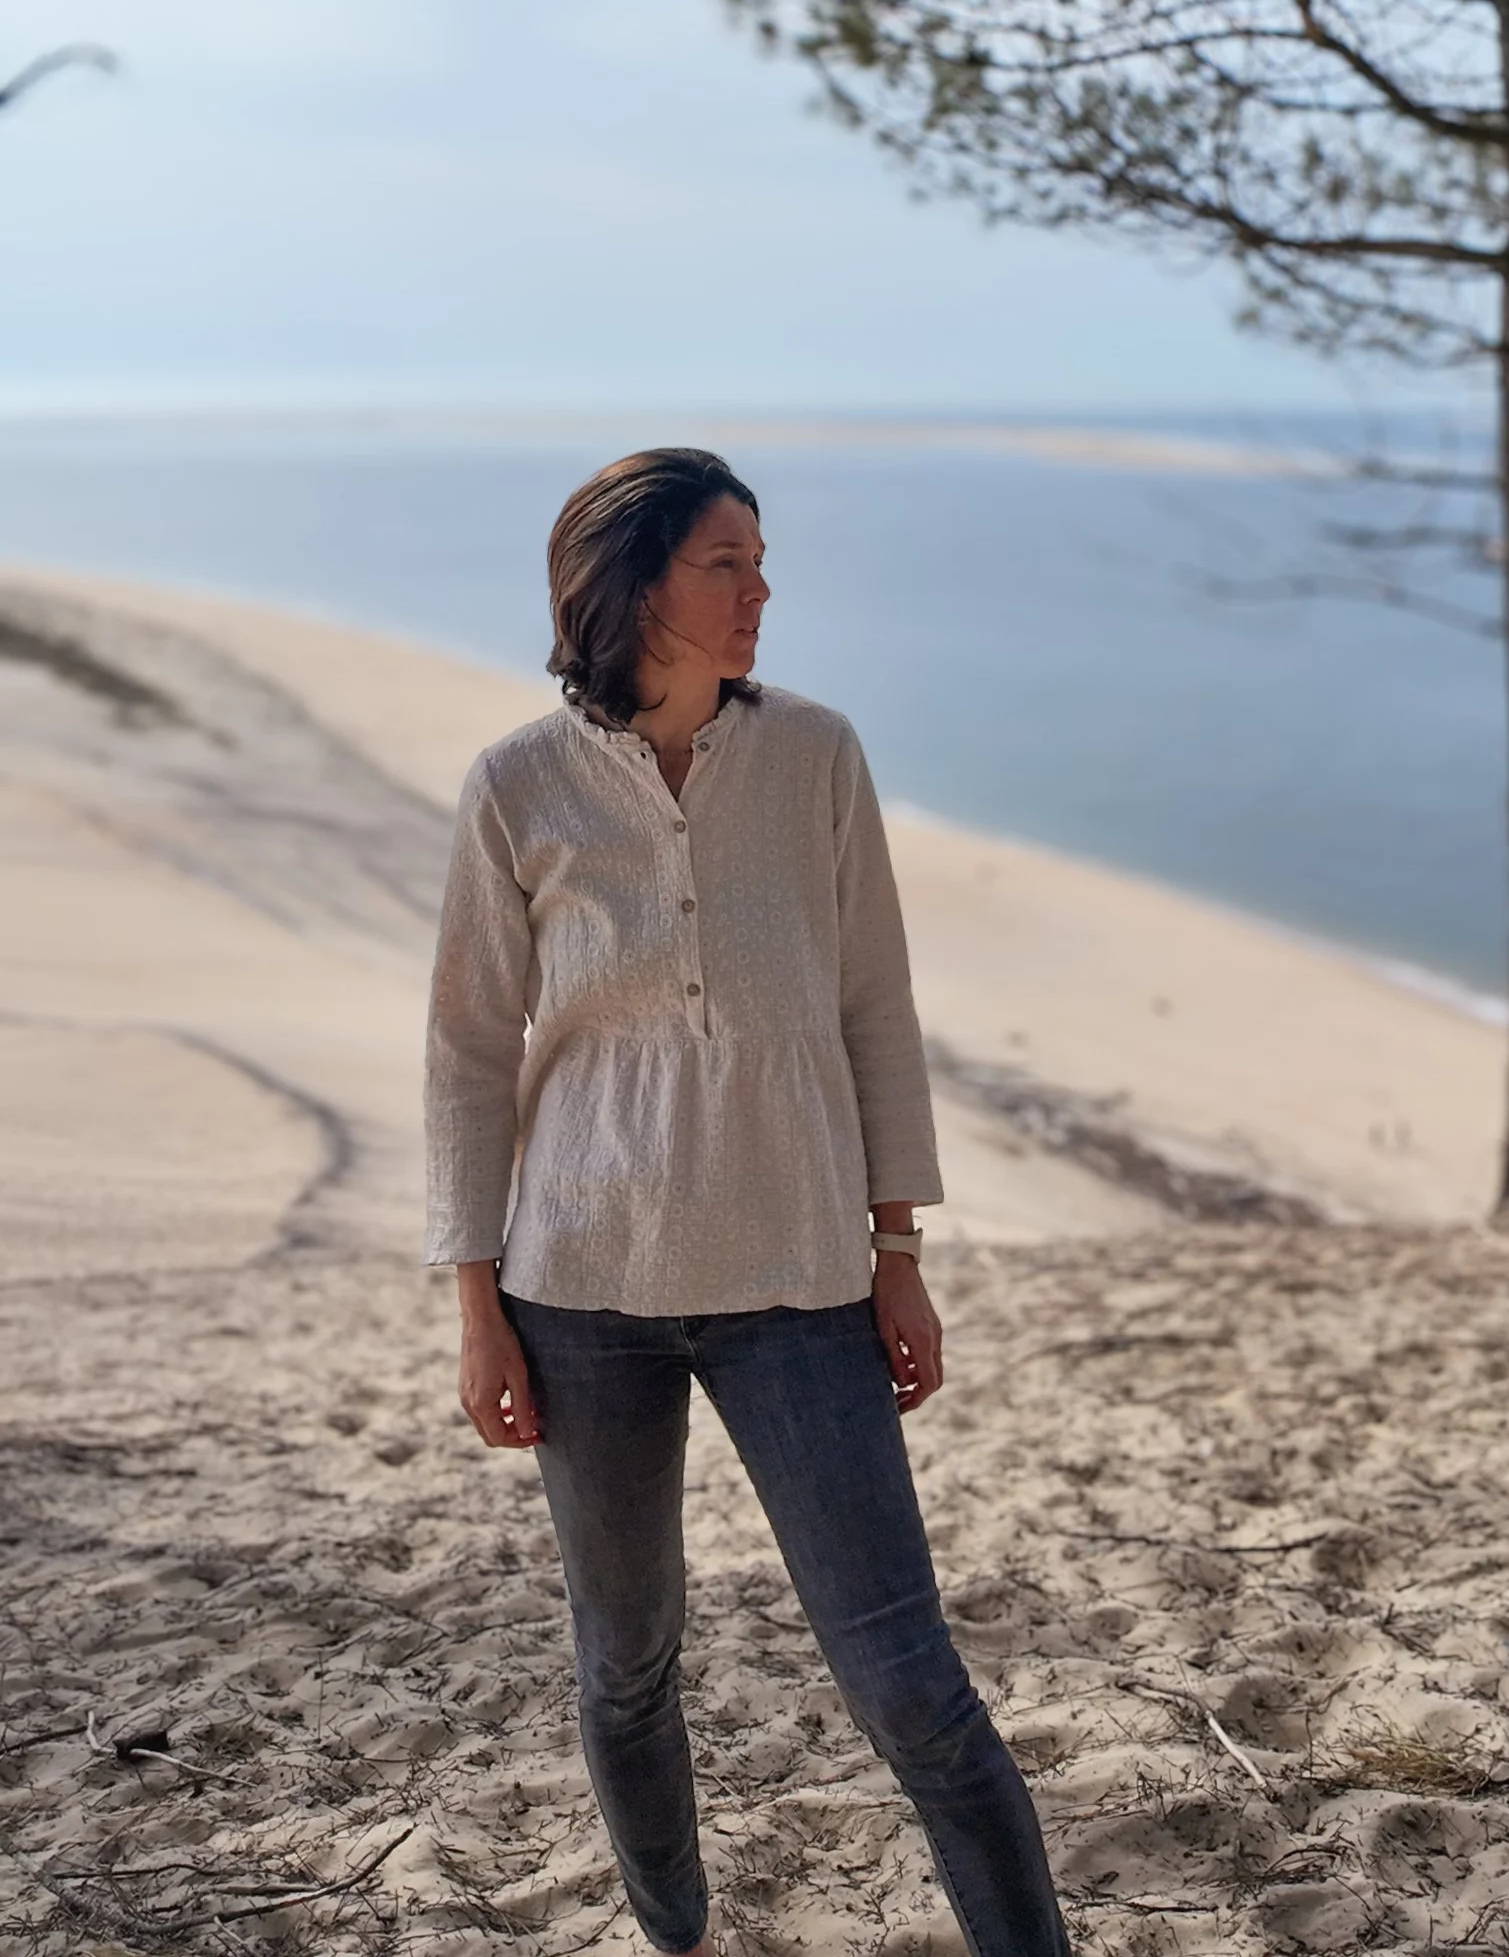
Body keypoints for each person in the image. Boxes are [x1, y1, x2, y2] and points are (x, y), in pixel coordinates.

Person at [424, 447, 1070, 1957]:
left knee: (910, 1678)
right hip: (577, 1288)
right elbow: (467, 1050)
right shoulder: (516, 786)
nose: (762, 591)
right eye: (729, 564)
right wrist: (475, 1307)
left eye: (763, 563)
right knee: (628, 1664)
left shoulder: (820, 756)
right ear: (637, 583)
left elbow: (878, 1011)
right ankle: (679, 1934)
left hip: (799, 1281)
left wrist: (895, 1251)